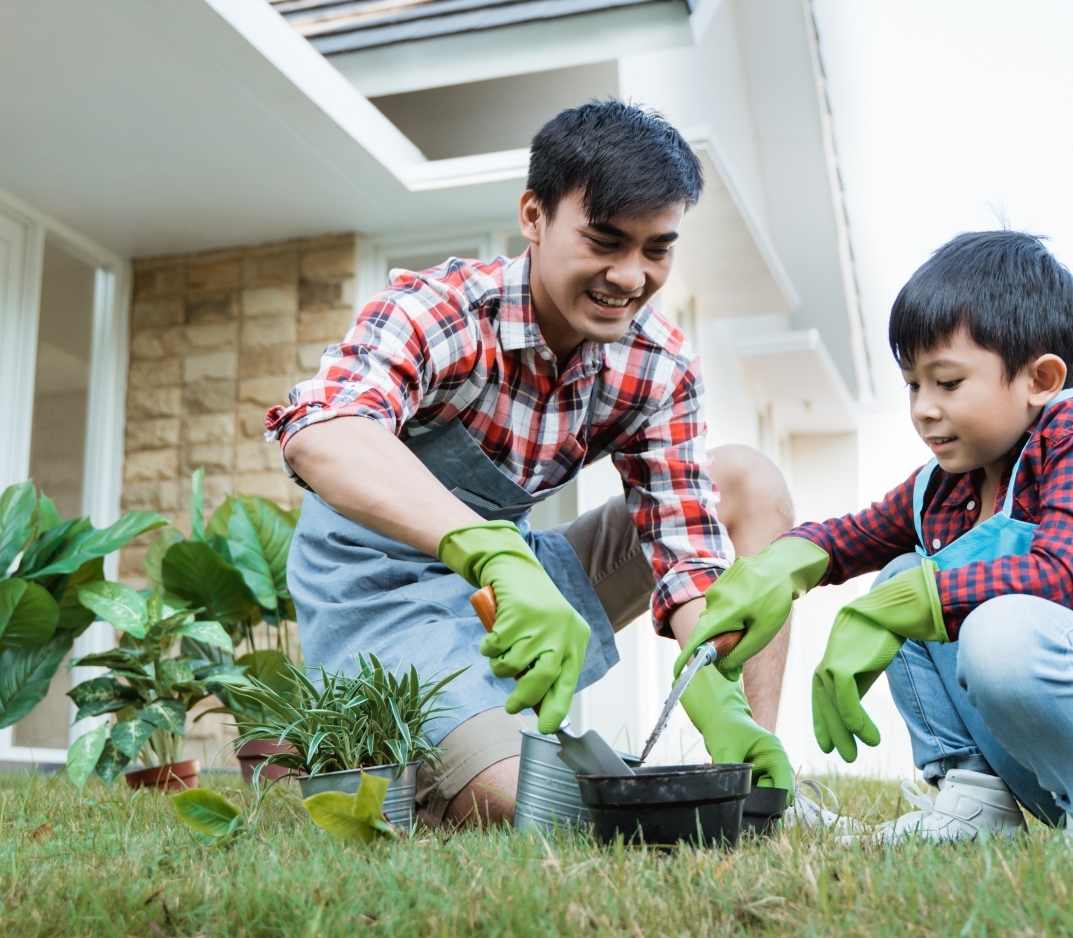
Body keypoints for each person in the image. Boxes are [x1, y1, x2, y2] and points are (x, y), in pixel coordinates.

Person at [267, 101, 797, 827]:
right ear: (534, 216)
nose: (629, 276)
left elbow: (683, 549)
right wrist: (489, 554)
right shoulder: (444, 311)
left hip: (521, 580)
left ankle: (758, 781)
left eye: (656, 249)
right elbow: (321, 431)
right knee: (530, 808)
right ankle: (442, 755)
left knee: (747, 479)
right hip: (384, 596)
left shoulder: (657, 363)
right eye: (604, 240)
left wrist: (716, 693)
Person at [681, 230, 1073, 851]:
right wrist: (781, 568)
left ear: (1040, 378)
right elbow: (851, 537)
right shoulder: (948, 485)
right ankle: (976, 799)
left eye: (947, 383)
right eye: (912, 385)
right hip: (1047, 761)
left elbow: (1063, 574)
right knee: (899, 574)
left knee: (980, 620)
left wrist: (897, 609)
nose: (923, 408)